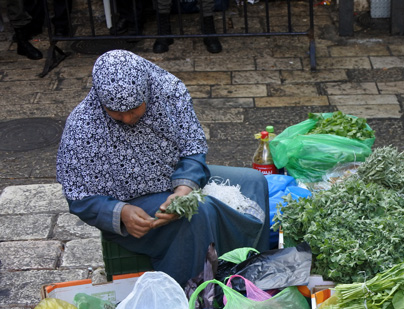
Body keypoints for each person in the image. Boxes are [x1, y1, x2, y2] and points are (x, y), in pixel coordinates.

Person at [57, 50, 274, 286]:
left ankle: (255, 272)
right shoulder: (83, 124)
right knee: (197, 214)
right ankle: (194, 291)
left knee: (254, 181)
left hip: (174, 178)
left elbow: (192, 148)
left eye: (134, 109)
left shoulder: (169, 92)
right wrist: (120, 212)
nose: (127, 119)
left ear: (146, 92)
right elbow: (78, 196)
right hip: (135, 204)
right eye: (116, 113)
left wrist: (183, 189)